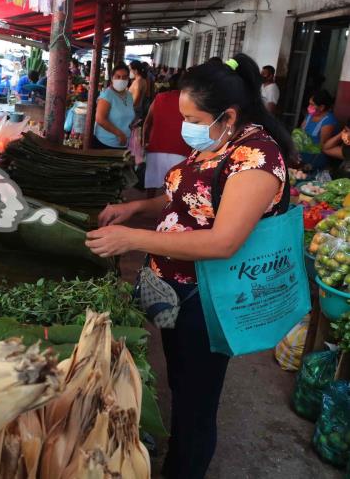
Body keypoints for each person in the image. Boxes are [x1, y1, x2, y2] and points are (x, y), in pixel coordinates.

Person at [86, 54, 294, 479]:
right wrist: (136, 208)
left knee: (197, 400)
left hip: (208, 299)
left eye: (192, 117)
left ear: (228, 115)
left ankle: (184, 468)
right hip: (178, 291)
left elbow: (223, 242)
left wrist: (131, 239)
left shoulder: (256, 158)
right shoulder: (220, 141)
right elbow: (186, 194)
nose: (186, 127)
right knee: (181, 384)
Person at [143, 74, 192, 197]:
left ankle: (148, 208)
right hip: (181, 149)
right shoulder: (190, 100)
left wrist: (144, 141)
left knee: (152, 184)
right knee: (174, 188)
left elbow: (147, 122)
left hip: (156, 147)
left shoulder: (159, 97)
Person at [93, 63, 135, 149]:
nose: (121, 79)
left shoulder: (129, 95)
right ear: (112, 78)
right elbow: (100, 119)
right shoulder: (107, 95)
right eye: (118, 76)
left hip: (125, 142)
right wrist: (119, 134)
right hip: (106, 143)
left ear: (128, 79)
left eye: (124, 77)